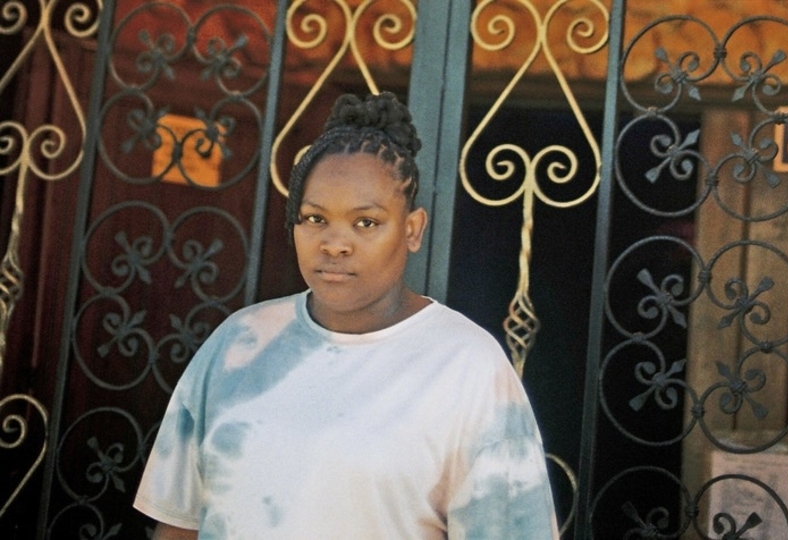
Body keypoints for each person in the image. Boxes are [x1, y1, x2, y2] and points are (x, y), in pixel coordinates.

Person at [133, 91, 559, 539]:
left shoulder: (467, 365)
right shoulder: (239, 343)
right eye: (315, 219)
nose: (335, 244)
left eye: (366, 223)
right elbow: (178, 525)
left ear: (412, 230)